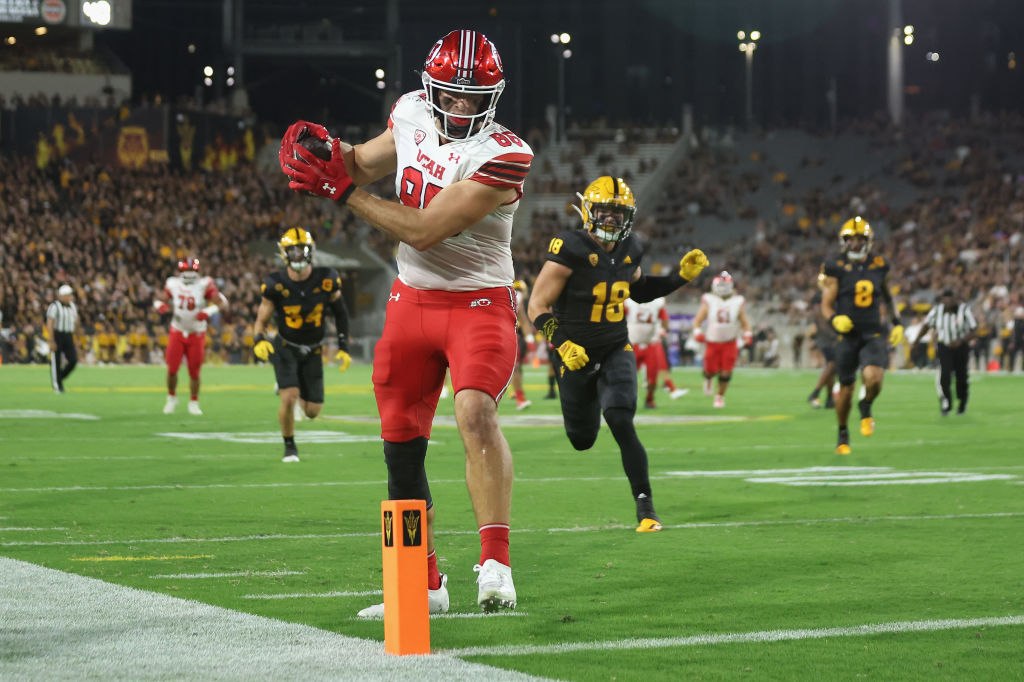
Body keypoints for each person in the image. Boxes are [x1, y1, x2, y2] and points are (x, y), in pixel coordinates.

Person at [280, 30, 529, 614]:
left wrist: (339, 191)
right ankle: (421, 583)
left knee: (474, 411)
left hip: (478, 303)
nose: (462, 105)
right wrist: (322, 150)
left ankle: (496, 566)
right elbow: (361, 165)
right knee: (400, 448)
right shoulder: (413, 112)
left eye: (475, 96)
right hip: (411, 301)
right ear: (430, 88)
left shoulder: (504, 153)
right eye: (453, 93)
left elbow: (424, 229)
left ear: (494, 97)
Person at [527, 176, 709, 533]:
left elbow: (639, 291)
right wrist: (562, 343)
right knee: (582, 440)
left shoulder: (631, 248)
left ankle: (646, 508)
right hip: (573, 353)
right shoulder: (570, 248)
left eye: (618, 213)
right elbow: (537, 304)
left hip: (615, 346)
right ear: (588, 211)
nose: (611, 219)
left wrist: (678, 278)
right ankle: (592, 394)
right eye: (605, 211)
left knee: (621, 419)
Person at [252, 227, 352, 462]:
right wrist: (259, 339)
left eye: (302, 250)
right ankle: (289, 446)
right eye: (293, 251)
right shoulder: (275, 283)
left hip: (314, 348)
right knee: (289, 397)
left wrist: (343, 345)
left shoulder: (327, 278)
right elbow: (262, 318)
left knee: (312, 411)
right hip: (285, 347)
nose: (298, 255)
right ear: (284, 253)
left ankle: (287, 387)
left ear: (311, 251)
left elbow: (341, 312)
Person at [820, 217, 904, 455]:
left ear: (868, 241)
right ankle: (843, 432)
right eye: (851, 239)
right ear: (844, 241)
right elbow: (825, 304)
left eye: (860, 239)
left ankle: (865, 405)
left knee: (874, 379)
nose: (855, 244)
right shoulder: (835, 266)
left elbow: (888, 297)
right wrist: (833, 319)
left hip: (873, 332)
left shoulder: (879, 264)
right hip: (847, 336)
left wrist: (897, 322)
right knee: (846, 388)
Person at [154, 258, 229, 415]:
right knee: (172, 369)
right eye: (186, 271)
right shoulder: (173, 284)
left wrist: (208, 312)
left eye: (191, 271)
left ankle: (194, 401)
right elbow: (159, 299)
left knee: (194, 371)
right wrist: (160, 305)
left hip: (196, 333)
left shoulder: (204, 284)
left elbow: (223, 303)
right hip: (178, 330)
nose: (188, 274)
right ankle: (171, 398)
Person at [910, 288, 978, 415]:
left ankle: (962, 402)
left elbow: (974, 330)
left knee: (961, 378)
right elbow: (926, 326)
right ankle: (947, 402)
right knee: (944, 377)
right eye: (945, 298)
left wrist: (961, 341)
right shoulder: (937, 310)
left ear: (954, 299)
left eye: (950, 297)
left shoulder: (964, 310)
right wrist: (915, 341)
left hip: (961, 348)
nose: (947, 300)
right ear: (941, 300)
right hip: (944, 347)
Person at [692, 271, 752, 408]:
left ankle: (719, 396)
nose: (723, 288)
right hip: (712, 341)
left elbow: (745, 322)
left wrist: (748, 334)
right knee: (709, 371)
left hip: (730, 342)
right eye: (720, 285)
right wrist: (697, 332)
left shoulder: (738, 301)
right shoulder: (709, 299)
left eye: (725, 285)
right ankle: (708, 380)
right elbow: (698, 321)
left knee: (726, 372)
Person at [625, 297, 688, 409]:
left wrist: (664, 330)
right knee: (626, 375)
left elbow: (665, 320)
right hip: (632, 343)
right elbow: (618, 317)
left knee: (652, 379)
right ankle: (624, 398)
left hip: (652, 343)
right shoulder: (628, 301)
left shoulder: (657, 302)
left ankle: (650, 399)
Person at [807, 274, 838, 408]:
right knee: (832, 365)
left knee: (831, 368)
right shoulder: (824, 297)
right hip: (829, 337)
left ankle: (829, 399)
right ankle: (816, 392)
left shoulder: (820, 297)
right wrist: (834, 335)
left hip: (825, 336)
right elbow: (822, 318)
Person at [45, 284, 79, 393]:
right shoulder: (55, 306)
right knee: (56, 360)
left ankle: (59, 378)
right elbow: (50, 323)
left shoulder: (72, 306)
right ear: (62, 296)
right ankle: (58, 387)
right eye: (68, 295)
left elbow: (75, 322)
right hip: (58, 334)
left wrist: (76, 336)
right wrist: (51, 340)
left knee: (73, 359)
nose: (70, 297)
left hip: (68, 335)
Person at [510, 278, 535, 410]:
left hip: (510, 333)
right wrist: (530, 339)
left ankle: (518, 395)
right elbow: (523, 319)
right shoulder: (516, 296)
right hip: (507, 334)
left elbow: (523, 320)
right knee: (515, 367)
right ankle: (519, 397)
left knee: (516, 367)